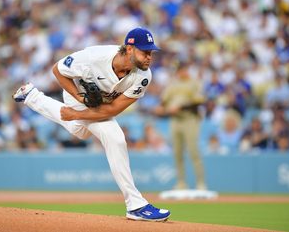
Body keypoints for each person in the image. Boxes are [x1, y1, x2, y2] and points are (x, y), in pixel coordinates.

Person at [12, 27, 170, 221]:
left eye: (151, 52)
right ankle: (135, 205)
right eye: (145, 52)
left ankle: (32, 96)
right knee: (116, 138)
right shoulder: (95, 57)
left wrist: (78, 114)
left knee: (79, 130)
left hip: (101, 105)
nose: (149, 57)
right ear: (129, 49)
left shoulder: (144, 76)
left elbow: (112, 110)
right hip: (76, 95)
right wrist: (80, 100)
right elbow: (57, 70)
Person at [154, 63, 207, 190]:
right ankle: (181, 183)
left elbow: (198, 103)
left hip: (190, 119)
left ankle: (201, 183)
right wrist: (161, 107)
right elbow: (164, 101)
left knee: (193, 152)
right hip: (175, 120)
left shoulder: (194, 83)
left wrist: (180, 107)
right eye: (180, 70)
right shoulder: (172, 84)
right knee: (177, 153)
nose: (183, 72)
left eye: (185, 69)